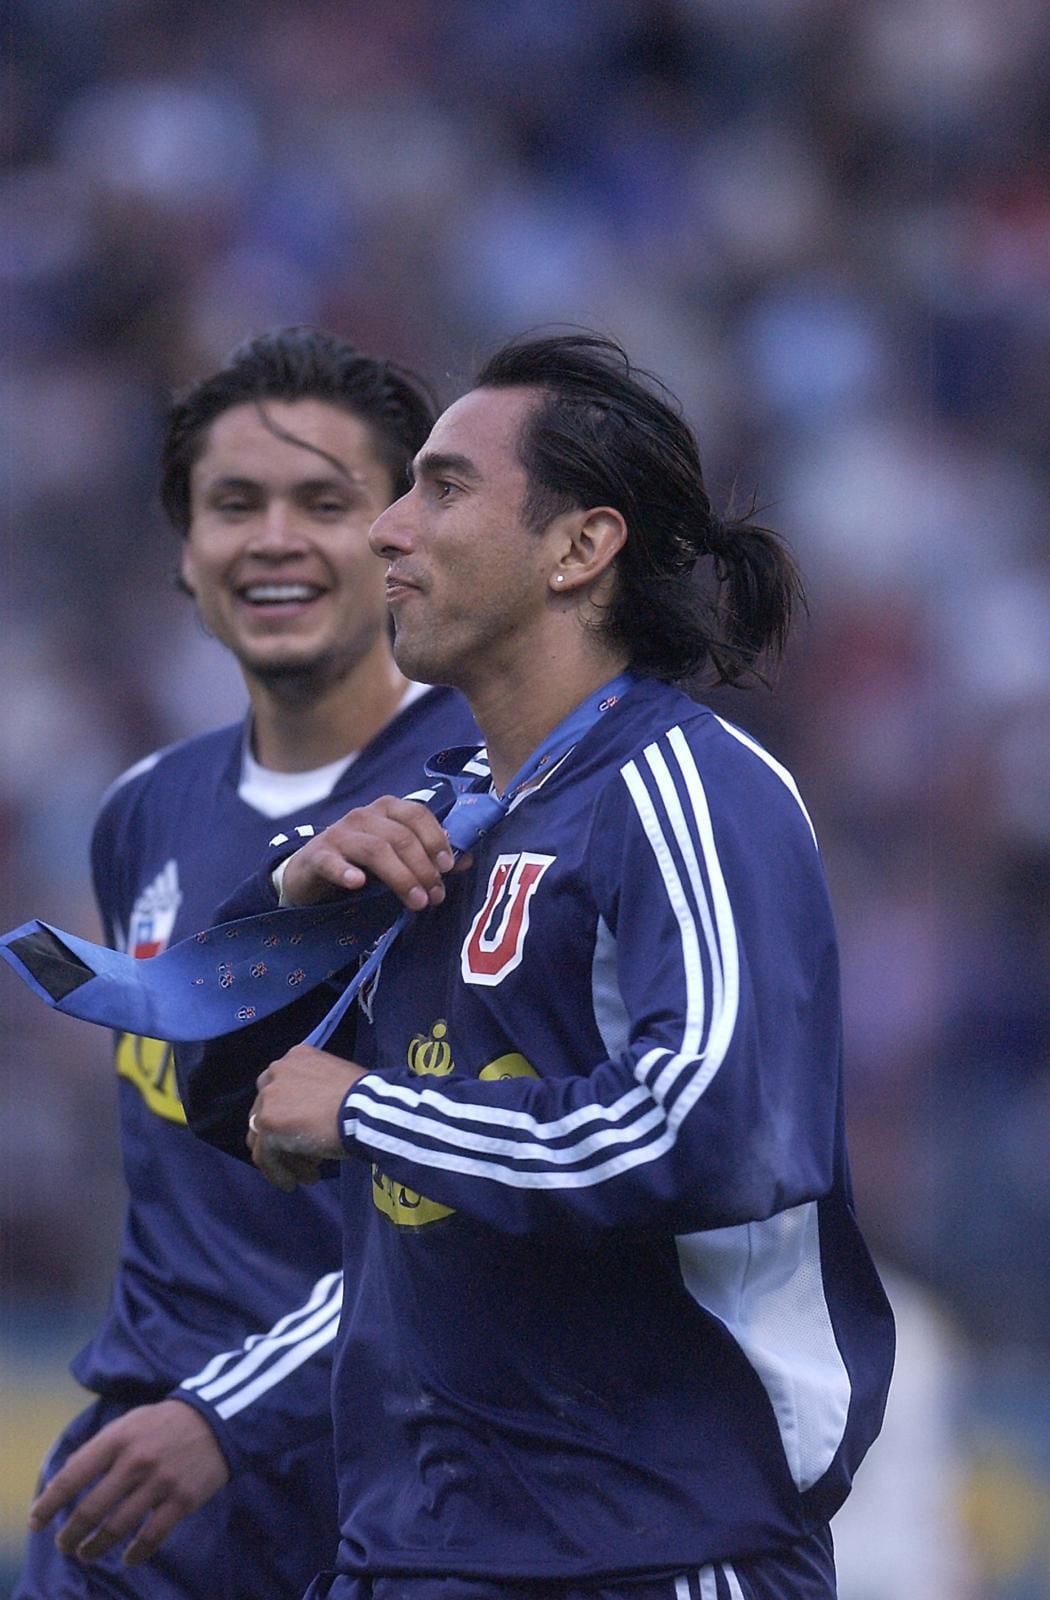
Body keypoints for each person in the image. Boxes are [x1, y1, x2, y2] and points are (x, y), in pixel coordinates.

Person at [182, 332, 895, 1600]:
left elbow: (713, 1128)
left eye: (442, 488)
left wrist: (368, 1109)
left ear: (581, 547)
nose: (385, 531)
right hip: (410, 1548)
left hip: (653, 1547)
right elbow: (229, 1095)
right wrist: (284, 906)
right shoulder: (436, 821)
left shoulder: (691, 790)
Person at [15, 327, 478, 1600]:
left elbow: (484, 1220)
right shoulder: (142, 809)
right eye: (233, 503)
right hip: (138, 1491)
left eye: (326, 501)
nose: (274, 536)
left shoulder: (489, 802)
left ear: (402, 540)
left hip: (390, 1489)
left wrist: (230, 1412)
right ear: (184, 553)